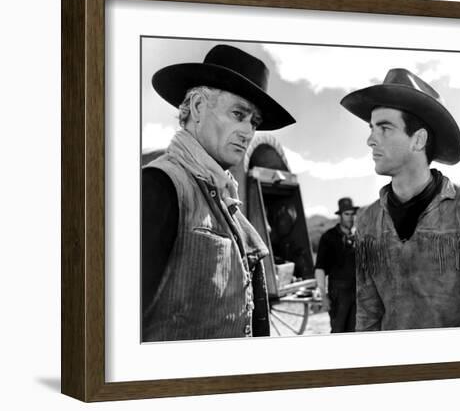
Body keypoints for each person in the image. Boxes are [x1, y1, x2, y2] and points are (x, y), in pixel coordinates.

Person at [141, 44, 295, 341]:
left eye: (254, 122)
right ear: (198, 107)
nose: (248, 132)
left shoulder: (227, 202)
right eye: (239, 114)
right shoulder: (160, 185)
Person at [340, 68, 460, 331]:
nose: (370, 140)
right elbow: (368, 314)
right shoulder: (367, 220)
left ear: (418, 140)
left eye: (385, 128)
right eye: (371, 128)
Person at [314, 197, 359, 333]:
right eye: (346, 214)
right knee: (338, 331)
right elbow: (320, 268)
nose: (350, 218)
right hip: (338, 293)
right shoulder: (329, 237)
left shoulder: (358, 236)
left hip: (357, 291)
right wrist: (323, 296)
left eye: (352, 214)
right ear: (340, 216)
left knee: (355, 331)